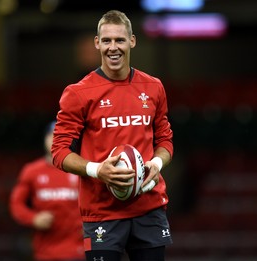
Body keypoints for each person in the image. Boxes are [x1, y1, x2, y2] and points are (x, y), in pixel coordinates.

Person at [51, 10, 174, 261]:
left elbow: (164, 140)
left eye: (119, 40)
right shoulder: (78, 93)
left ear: (132, 41)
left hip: (149, 208)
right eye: (106, 41)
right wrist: (98, 170)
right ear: (97, 43)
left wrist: (156, 163)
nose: (113, 47)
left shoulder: (154, 87)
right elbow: (59, 152)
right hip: (102, 213)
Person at [9, 121, 85, 261]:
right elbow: (16, 204)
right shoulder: (31, 171)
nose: (54, 139)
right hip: (46, 252)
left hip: (79, 250)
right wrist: (33, 218)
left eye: (59, 135)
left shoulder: (81, 167)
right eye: (51, 135)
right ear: (44, 139)